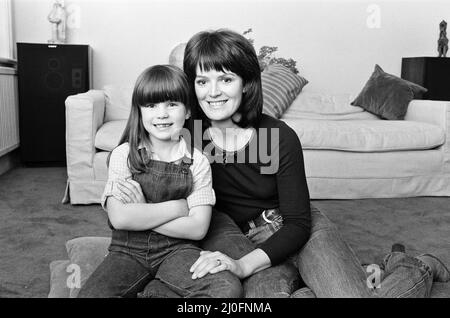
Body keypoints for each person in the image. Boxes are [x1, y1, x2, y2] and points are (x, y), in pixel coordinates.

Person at [177, 28, 449, 298]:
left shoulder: (278, 136)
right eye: (202, 82)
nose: (212, 92)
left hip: (295, 229)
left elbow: (298, 223)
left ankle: (416, 266)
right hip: (239, 238)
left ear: (246, 82)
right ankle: (358, 274)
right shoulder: (186, 134)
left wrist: (241, 265)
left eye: (225, 80)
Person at [77, 65, 242, 298]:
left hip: (177, 250)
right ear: (140, 111)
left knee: (226, 288)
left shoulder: (198, 161)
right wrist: (178, 207)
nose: (162, 114)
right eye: (151, 105)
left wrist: (142, 211)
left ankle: (157, 290)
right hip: (127, 251)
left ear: (186, 111)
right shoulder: (124, 154)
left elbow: (197, 228)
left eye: (172, 104)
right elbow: (120, 217)